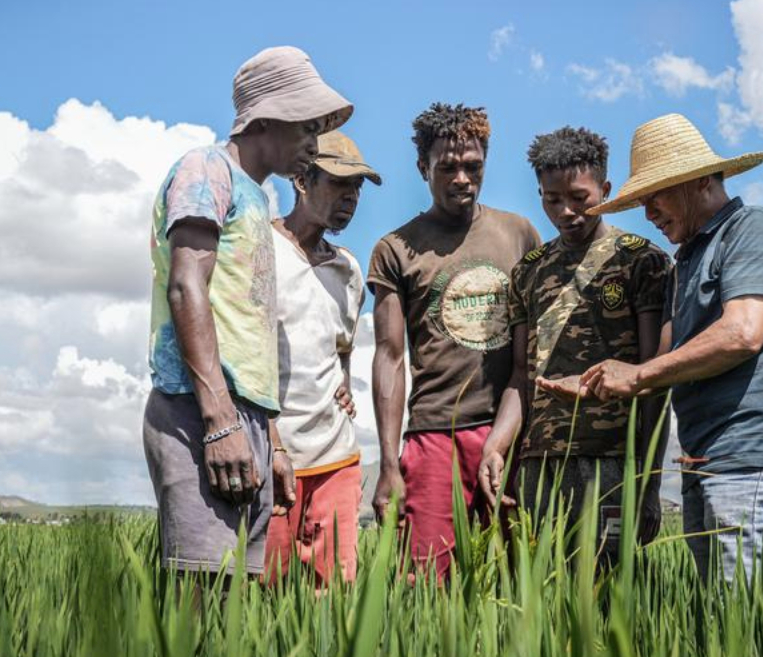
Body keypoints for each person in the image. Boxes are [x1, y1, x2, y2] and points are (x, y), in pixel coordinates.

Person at [540, 113, 763, 587]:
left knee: (744, 621)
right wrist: (598, 380)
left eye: (655, 197)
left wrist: (635, 375)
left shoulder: (752, 230)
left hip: (753, 459)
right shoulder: (689, 259)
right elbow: (659, 363)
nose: (648, 214)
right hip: (708, 461)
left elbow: (742, 333)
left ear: (697, 182)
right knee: (719, 620)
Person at [143, 46, 352, 577]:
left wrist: (269, 440)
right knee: (200, 592)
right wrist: (219, 423)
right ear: (266, 118)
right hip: (201, 410)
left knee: (235, 606)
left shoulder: (259, 199)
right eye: (306, 126)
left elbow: (250, 333)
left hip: (245, 419)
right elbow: (187, 288)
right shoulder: (205, 169)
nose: (314, 142)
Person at [477, 126, 670, 563]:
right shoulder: (528, 272)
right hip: (539, 464)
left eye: (579, 198)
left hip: (613, 462)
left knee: (607, 596)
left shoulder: (642, 260)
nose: (566, 211)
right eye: (551, 199)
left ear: (604, 189)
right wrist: (497, 444)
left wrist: (649, 480)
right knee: (539, 597)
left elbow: (655, 379)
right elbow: (522, 376)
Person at [368, 103, 540, 580]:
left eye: (473, 166)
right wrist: (388, 463)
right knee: (425, 587)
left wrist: (513, 439)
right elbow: (389, 356)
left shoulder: (519, 235)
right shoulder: (395, 249)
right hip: (433, 436)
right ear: (423, 167)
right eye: (447, 168)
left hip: (509, 435)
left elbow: (531, 357)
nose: (462, 178)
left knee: (516, 584)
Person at [264, 131, 380, 586]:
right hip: (271, 455)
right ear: (300, 179)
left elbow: (342, 348)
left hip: (336, 455)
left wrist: (346, 383)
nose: (350, 198)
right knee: (261, 592)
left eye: (357, 189)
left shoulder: (348, 270)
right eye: (338, 184)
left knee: (332, 595)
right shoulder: (260, 250)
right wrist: (270, 445)